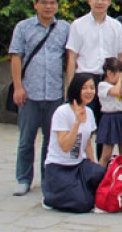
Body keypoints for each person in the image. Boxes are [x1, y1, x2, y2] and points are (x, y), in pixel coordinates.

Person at [9, 0, 71, 197]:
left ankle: (48, 178)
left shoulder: (64, 28)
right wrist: (18, 86)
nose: (48, 6)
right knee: (26, 139)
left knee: (51, 139)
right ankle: (23, 179)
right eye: (44, 2)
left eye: (52, 3)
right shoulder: (23, 27)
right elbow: (16, 57)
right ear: (35, 4)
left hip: (55, 92)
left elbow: (69, 58)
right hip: (30, 92)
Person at [66, 0, 122, 133]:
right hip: (85, 79)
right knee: (83, 125)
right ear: (89, 1)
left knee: (105, 126)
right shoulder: (78, 25)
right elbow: (72, 57)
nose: (100, 2)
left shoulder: (116, 26)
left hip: (109, 80)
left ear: (109, 1)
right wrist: (70, 86)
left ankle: (102, 150)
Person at [41, 74, 105, 212]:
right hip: (60, 166)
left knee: (101, 173)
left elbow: (87, 143)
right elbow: (65, 146)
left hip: (79, 164)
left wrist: (94, 168)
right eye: (84, 88)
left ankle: (79, 192)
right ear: (76, 89)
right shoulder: (62, 112)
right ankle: (51, 198)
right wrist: (77, 123)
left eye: (92, 88)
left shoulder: (89, 112)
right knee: (82, 204)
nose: (89, 91)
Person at [96, 57, 122, 167]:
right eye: (118, 75)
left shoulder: (121, 85)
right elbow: (115, 92)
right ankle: (99, 175)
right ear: (109, 73)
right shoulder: (103, 85)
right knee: (106, 154)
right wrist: (121, 80)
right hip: (109, 118)